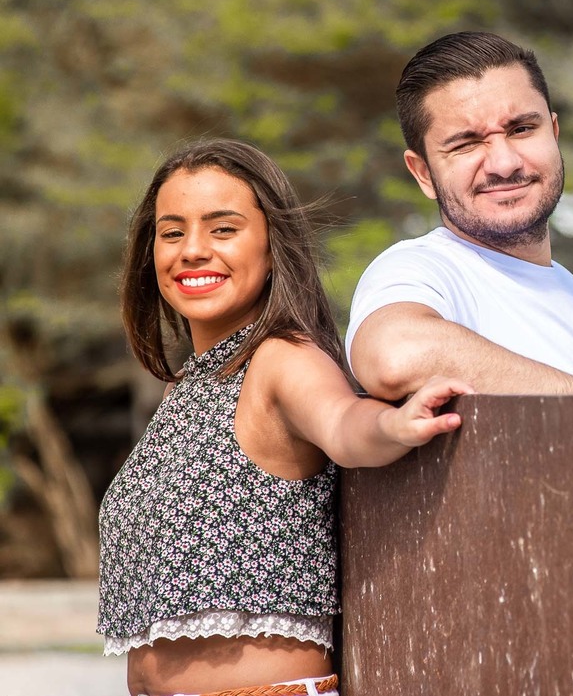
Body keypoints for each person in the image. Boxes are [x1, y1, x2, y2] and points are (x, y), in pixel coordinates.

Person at [97, 139, 473, 696]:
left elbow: (344, 424)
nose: (192, 250)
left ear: (273, 245)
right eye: (172, 232)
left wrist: (393, 425)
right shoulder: (194, 383)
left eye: (223, 229)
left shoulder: (280, 358)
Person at [347, 31, 573, 399]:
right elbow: (394, 355)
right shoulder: (424, 268)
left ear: (553, 133)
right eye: (467, 143)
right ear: (423, 173)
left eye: (521, 129)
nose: (504, 164)